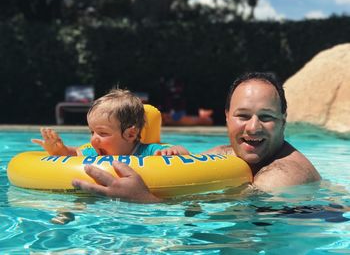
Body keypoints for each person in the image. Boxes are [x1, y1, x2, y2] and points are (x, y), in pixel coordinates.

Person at [71, 72, 321, 202]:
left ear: (283, 121)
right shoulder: (224, 153)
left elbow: (247, 229)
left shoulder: (281, 178)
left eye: (266, 117)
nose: (253, 127)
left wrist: (143, 201)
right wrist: (177, 158)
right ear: (226, 117)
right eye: (243, 116)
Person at [32, 88, 189, 157]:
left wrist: (174, 151)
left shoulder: (147, 151)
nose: (94, 139)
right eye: (92, 132)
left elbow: (183, 152)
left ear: (130, 133)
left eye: (103, 133)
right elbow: (73, 154)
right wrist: (59, 149)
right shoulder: (97, 152)